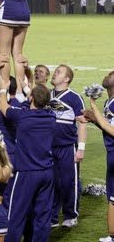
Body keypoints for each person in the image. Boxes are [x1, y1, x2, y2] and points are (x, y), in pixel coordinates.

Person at [0, 79, 56, 242]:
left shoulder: (22, 116)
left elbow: (3, 107)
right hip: (47, 173)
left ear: (31, 99)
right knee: (43, 217)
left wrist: (3, 90)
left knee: (16, 214)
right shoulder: (51, 116)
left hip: (26, 174)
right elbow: (32, 105)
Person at [49, 64, 87, 228]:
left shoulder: (74, 97)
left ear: (66, 79)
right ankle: (52, 217)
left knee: (68, 182)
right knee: (51, 183)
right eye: (55, 70)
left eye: (59, 72)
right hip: (49, 148)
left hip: (67, 147)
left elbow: (83, 124)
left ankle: (71, 215)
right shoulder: (46, 95)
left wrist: (81, 148)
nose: (54, 73)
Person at [87, 71, 114, 242]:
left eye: (111, 75)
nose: (107, 76)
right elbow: (108, 127)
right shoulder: (109, 102)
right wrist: (94, 119)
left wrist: (92, 105)